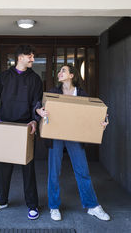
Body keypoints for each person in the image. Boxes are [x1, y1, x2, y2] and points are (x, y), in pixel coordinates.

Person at [35, 64, 110, 221]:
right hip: (55, 135)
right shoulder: (54, 92)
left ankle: (92, 206)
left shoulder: (82, 94)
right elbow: (39, 104)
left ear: (72, 75)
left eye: (64, 70)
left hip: (74, 136)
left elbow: (96, 113)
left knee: (82, 171)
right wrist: (39, 111)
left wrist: (103, 121)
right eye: (60, 71)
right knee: (54, 173)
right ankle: (54, 207)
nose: (60, 73)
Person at [0, 45, 43, 220]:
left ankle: (32, 205)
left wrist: (34, 121)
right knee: (4, 168)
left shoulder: (35, 79)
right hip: (6, 126)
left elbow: (37, 103)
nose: (32, 59)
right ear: (20, 57)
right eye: (30, 56)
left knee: (28, 168)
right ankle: (1, 200)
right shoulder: (4, 77)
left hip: (25, 128)